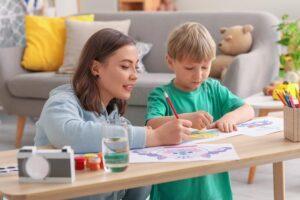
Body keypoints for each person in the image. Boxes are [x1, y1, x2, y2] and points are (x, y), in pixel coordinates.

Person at [34, 28, 192, 200]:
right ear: (96, 68)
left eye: (136, 67)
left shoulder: (116, 118)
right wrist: (151, 137)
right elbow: (66, 133)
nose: (134, 76)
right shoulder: (62, 101)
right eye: (125, 66)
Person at [146, 22, 255, 200]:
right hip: (174, 188)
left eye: (205, 67)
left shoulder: (213, 88)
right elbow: (151, 124)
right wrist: (186, 118)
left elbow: (247, 109)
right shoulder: (161, 94)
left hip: (212, 187)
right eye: (190, 68)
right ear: (170, 62)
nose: (198, 75)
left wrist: (229, 118)